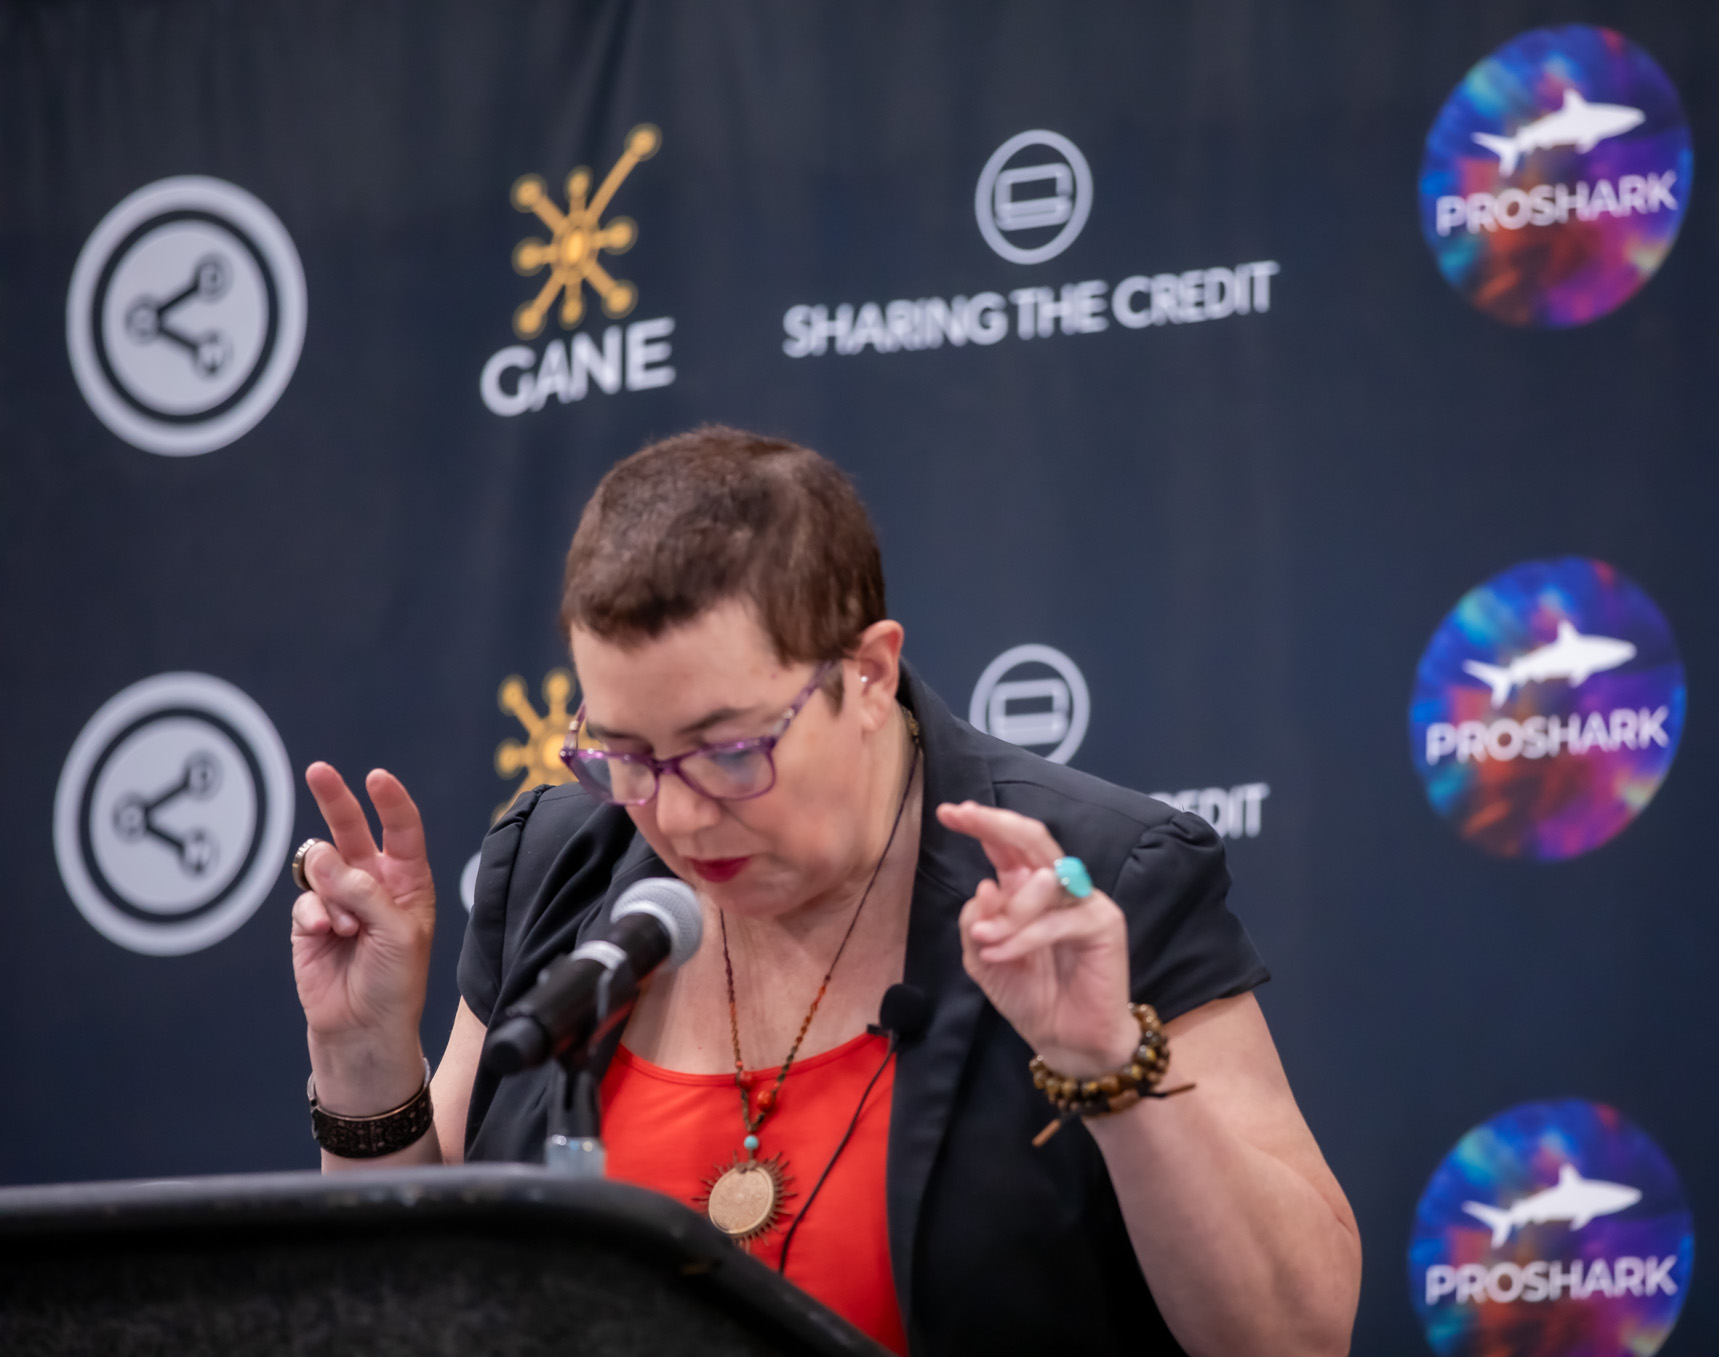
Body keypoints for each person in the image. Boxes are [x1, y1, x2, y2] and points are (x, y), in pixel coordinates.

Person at [288, 426, 1360, 1356]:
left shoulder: (1095, 878)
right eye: (624, 755)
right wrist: (363, 1055)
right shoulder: (559, 866)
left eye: (728, 750)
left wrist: (1113, 1069)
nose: (679, 816)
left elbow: (1295, 1335)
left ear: (869, 673)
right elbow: (419, 1303)